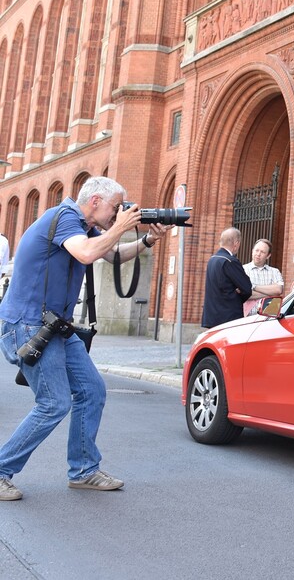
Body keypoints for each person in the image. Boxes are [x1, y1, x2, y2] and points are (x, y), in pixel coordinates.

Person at [0, 177, 171, 501]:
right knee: (54, 403)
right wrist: (121, 226)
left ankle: (83, 471)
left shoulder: (84, 226)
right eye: (115, 206)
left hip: (54, 325)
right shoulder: (64, 218)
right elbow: (87, 254)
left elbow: (112, 254)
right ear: (94, 201)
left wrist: (146, 239)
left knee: (92, 390)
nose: (118, 212)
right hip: (29, 325)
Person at [202, 227, 252, 328]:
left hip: (212, 316)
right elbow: (247, 288)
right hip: (228, 317)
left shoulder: (212, 259)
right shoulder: (230, 261)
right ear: (236, 243)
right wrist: (237, 295)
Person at [242, 238, 284, 316]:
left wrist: (253, 287)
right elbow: (244, 294)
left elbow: (278, 290)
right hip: (247, 318)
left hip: (269, 318)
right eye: (256, 250)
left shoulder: (275, 272)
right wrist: (270, 293)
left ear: (268, 256)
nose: (258, 254)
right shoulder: (242, 270)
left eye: (262, 252)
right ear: (252, 251)